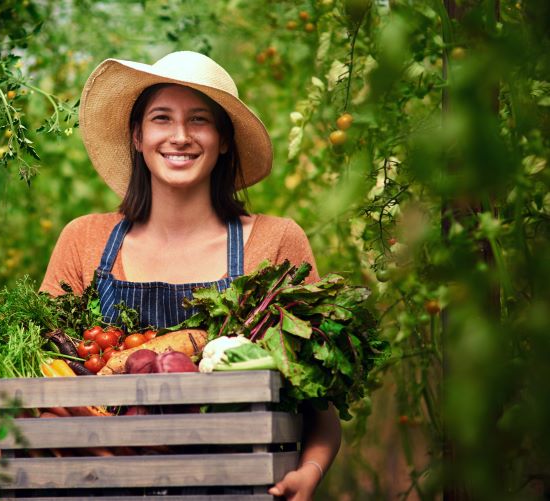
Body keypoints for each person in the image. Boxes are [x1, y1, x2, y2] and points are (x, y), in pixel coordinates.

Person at [40, 51, 341, 500]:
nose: (180, 136)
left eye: (199, 120)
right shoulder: (85, 240)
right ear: (138, 135)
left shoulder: (276, 244)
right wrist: (0, 466)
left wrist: (310, 471)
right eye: (162, 118)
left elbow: (321, 400)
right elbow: (36, 387)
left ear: (222, 139)